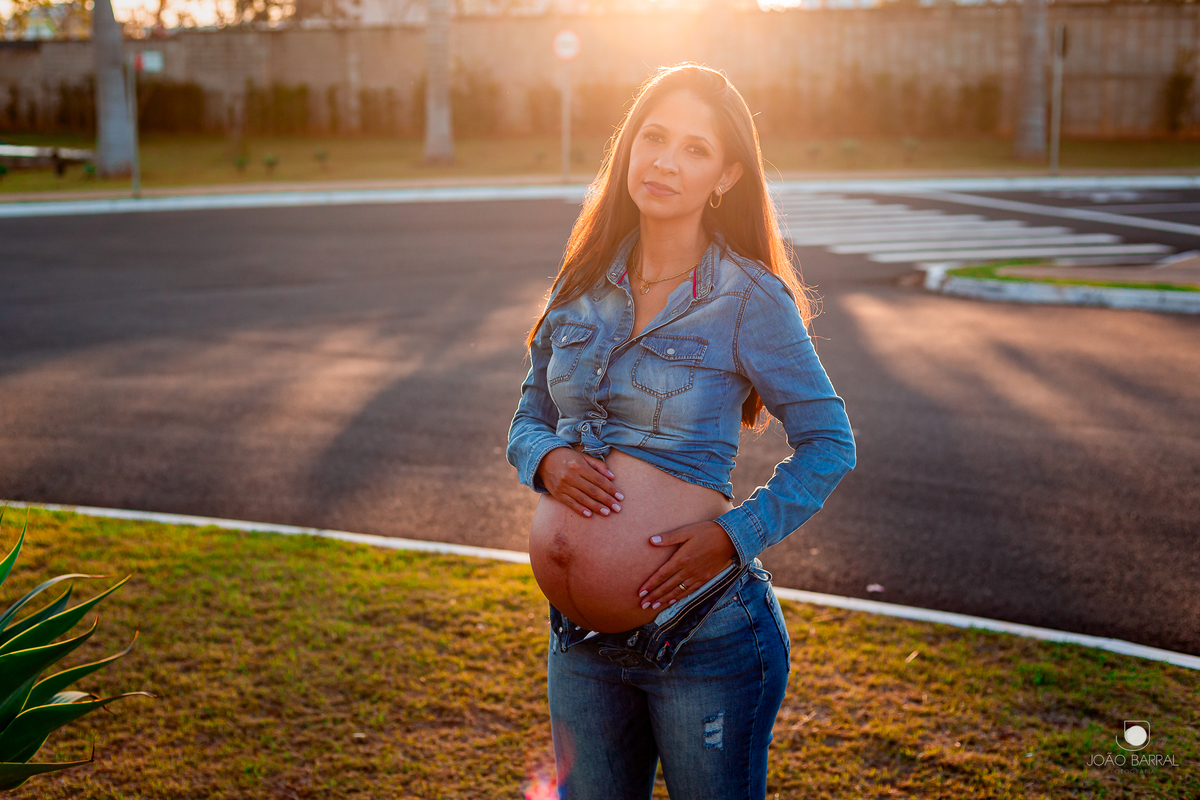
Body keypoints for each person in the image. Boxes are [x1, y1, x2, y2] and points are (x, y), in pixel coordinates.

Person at [506, 63, 856, 800]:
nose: (665, 161)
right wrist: (546, 461)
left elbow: (829, 441)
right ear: (628, 147)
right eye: (653, 137)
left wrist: (736, 534)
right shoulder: (581, 281)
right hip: (579, 644)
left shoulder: (748, 296)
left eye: (695, 149)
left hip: (701, 636)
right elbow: (528, 415)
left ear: (725, 175)